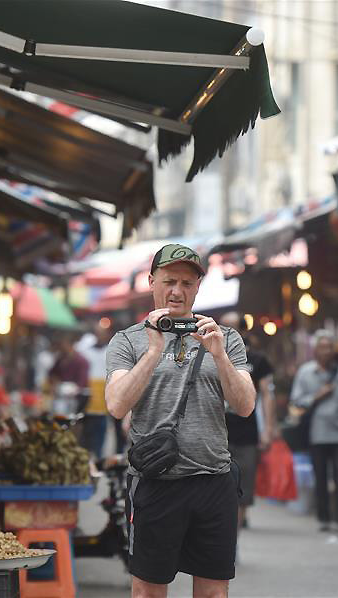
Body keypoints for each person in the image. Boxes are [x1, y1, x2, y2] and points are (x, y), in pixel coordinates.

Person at [105, 244, 255, 598]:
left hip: (213, 480)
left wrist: (219, 356)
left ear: (198, 286)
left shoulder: (226, 338)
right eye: (169, 280)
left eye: (187, 283)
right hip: (157, 482)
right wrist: (154, 351)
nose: (177, 290)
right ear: (151, 281)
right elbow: (116, 404)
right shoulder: (127, 340)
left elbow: (246, 405)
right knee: (148, 591)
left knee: (214, 592)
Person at [290, 330, 338, 533]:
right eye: (322, 347)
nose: (326, 351)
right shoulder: (305, 372)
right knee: (320, 476)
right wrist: (316, 397)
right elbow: (296, 401)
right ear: (315, 350)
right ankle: (324, 517)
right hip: (317, 433)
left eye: (330, 347)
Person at [219, 312, 275, 533]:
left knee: (243, 486)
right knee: (218, 488)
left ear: (243, 330)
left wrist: (269, 429)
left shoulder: (258, 360)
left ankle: (234, 539)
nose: (228, 333)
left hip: (247, 434)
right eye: (224, 327)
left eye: (233, 328)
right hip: (216, 433)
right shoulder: (209, 356)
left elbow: (268, 395)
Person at [76, 324, 113, 458]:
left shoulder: (110, 351)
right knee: (85, 436)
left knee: (100, 436)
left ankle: (98, 461)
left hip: (102, 401)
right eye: (97, 333)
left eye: (102, 333)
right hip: (87, 399)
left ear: (107, 335)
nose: (99, 336)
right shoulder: (86, 351)